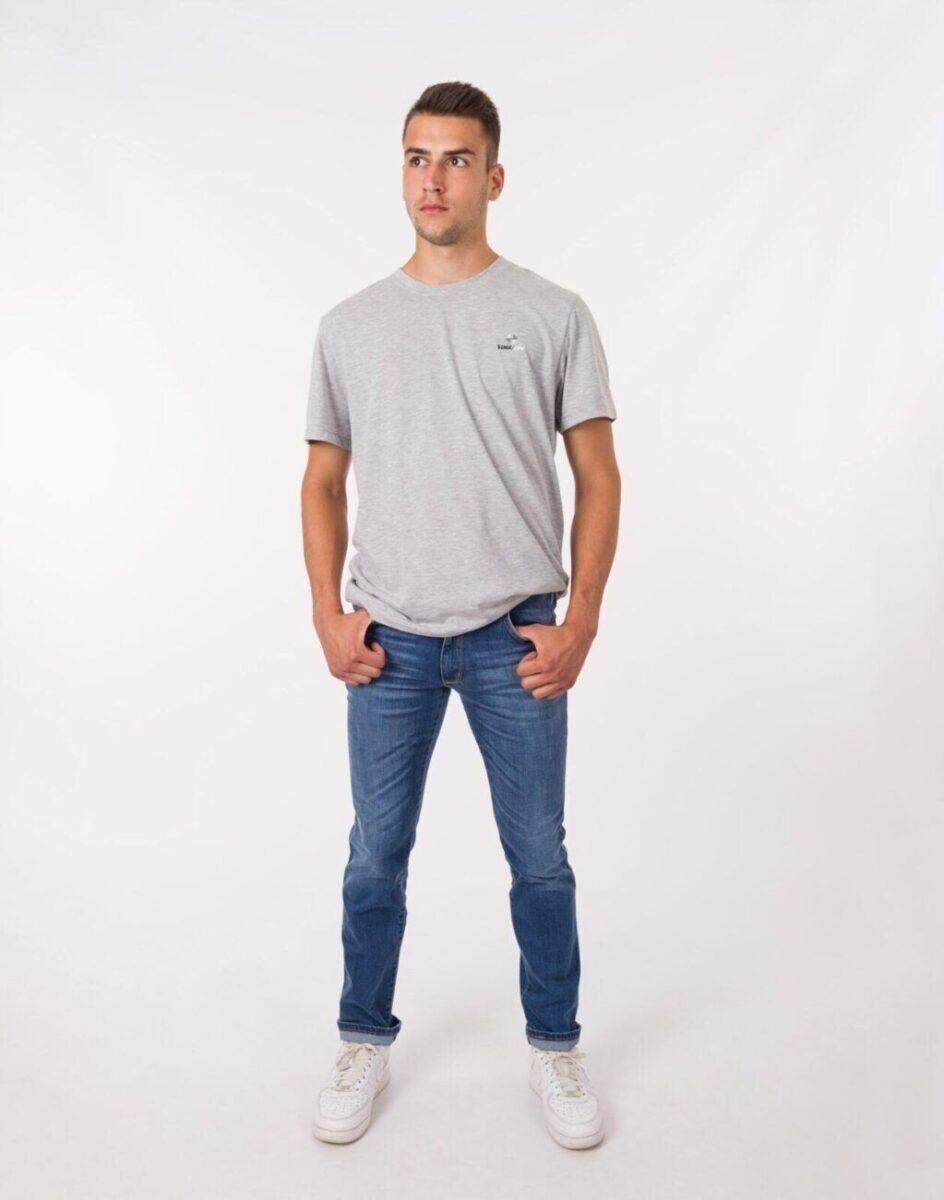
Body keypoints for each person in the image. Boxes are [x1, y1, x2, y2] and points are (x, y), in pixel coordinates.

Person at [301, 81, 621, 1150]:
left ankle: (554, 1046)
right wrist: (325, 613)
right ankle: (362, 1038)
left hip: (512, 635)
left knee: (538, 857)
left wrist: (579, 623)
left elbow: (598, 477)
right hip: (387, 639)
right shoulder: (349, 326)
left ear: (493, 177)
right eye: (415, 157)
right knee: (373, 857)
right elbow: (321, 481)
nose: (431, 178)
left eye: (454, 159)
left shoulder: (553, 314)